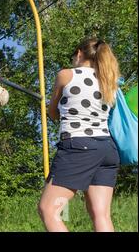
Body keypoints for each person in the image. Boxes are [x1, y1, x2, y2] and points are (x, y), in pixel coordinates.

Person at [38, 38, 121, 232]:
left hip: (79, 147)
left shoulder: (66, 75)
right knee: (101, 215)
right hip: (106, 149)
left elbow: (52, 113)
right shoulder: (109, 82)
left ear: (78, 54)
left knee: (48, 210)